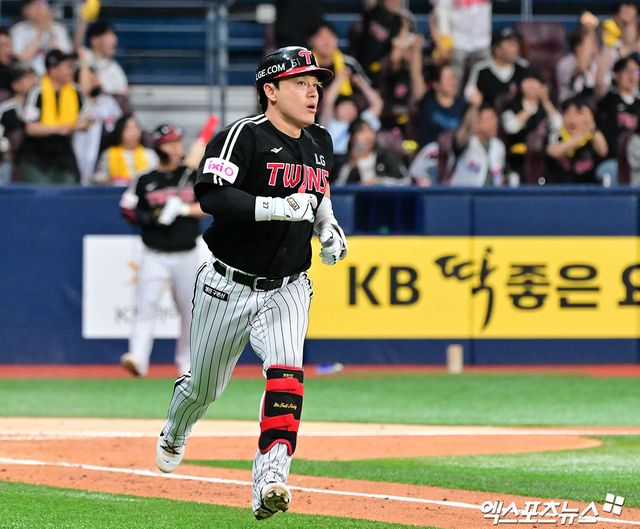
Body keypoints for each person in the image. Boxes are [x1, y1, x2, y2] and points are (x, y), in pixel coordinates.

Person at [155, 46, 348, 521]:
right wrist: (277, 207)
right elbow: (212, 195)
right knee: (203, 388)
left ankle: (271, 480)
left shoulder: (320, 140)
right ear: (271, 90)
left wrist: (327, 225)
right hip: (227, 284)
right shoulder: (241, 135)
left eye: (316, 84)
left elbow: (318, 194)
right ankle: (176, 428)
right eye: (301, 83)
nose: (313, 92)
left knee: (287, 374)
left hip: (289, 285)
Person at [120, 124, 206, 378]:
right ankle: (138, 358)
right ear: (158, 148)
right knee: (145, 306)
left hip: (187, 253)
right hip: (154, 253)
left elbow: (212, 205)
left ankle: (186, 362)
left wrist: (184, 209)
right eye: (169, 143)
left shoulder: (192, 175)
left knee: (190, 311)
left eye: (178, 142)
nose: (176, 148)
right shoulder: (145, 179)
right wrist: (153, 216)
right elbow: (128, 209)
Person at [20, 49, 89, 184]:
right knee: (41, 191)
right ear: (53, 70)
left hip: (64, 153)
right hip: (36, 154)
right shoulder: (37, 92)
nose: (71, 71)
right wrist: (57, 129)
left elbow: (88, 120)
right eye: (67, 67)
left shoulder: (76, 92)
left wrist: (75, 126)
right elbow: (30, 128)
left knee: (69, 188)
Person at [501, 68, 561, 183]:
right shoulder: (512, 106)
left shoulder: (548, 107)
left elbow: (559, 125)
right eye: (527, 80)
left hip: (544, 161)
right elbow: (511, 128)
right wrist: (528, 110)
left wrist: (545, 101)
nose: (531, 85)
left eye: (535, 81)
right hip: (518, 159)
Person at [410, 38, 467, 147]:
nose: (453, 82)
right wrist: (417, 50)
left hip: (451, 155)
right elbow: (416, 75)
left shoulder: (462, 105)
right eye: (448, 79)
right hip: (428, 154)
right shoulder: (427, 101)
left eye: (453, 78)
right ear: (436, 84)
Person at [320, 66, 383, 160]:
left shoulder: (361, 122)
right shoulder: (330, 122)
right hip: (332, 159)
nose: (349, 111)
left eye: (352, 108)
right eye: (345, 107)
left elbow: (377, 104)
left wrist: (362, 84)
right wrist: (340, 78)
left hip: (356, 159)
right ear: (335, 110)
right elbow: (328, 101)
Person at [545, 96, 608, 185]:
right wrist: (579, 137)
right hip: (559, 187)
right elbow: (554, 152)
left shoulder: (592, 134)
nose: (572, 119)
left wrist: (591, 127)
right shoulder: (556, 133)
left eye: (578, 114)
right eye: (567, 114)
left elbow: (603, 151)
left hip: (588, 188)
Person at [448, 93, 506, 187]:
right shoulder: (466, 141)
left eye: (495, 119)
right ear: (477, 123)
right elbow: (466, 129)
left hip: (492, 193)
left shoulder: (498, 145)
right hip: (464, 193)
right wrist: (474, 107)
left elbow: (499, 174)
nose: (494, 123)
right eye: (490, 119)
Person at [464, 27, 528, 110]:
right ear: (497, 49)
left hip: (519, 114)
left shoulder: (523, 66)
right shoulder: (481, 69)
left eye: (516, 44)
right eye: (511, 44)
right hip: (488, 114)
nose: (516, 48)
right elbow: (469, 93)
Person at [428, 0, 492, 83]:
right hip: (458, 41)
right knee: (454, 81)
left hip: (482, 40)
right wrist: (444, 43)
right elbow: (442, 10)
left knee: (484, 81)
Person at [333, 118, 411, 185]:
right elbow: (338, 185)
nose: (368, 135)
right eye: (362, 131)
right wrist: (351, 164)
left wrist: (380, 181)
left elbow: (405, 180)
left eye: (370, 130)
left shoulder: (385, 156)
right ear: (352, 137)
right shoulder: (344, 161)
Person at [10, 0, 73, 76]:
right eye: (35, 5)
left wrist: (51, 33)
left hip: (56, 77)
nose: (39, 9)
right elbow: (19, 60)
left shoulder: (59, 28)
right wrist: (40, 33)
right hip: (28, 76)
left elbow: (64, 59)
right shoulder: (18, 29)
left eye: (42, 5)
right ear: (26, 10)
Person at [93, 113, 158, 185]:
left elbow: (155, 176)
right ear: (119, 131)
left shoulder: (149, 154)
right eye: (128, 129)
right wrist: (111, 179)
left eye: (136, 128)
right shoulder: (108, 154)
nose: (134, 133)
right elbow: (98, 177)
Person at [0, 63, 36, 182]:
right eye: (28, 78)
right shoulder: (6, 110)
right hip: (11, 163)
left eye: (33, 77)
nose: (33, 82)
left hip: (37, 160)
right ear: (15, 84)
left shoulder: (41, 106)